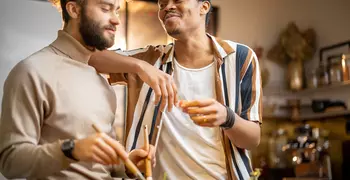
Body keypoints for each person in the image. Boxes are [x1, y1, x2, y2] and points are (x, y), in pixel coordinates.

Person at [0, 0, 178, 179]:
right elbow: (9, 161)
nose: (116, 20)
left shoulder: (100, 79)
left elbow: (98, 163)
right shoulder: (32, 71)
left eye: (116, 11)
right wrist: (71, 150)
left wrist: (127, 164)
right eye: (105, 9)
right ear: (74, 10)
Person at [89, 0, 262, 179]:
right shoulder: (150, 60)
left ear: (204, 6)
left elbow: (252, 139)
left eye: (177, 0)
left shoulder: (241, 58)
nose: (168, 7)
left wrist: (228, 118)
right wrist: (141, 67)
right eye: (162, 4)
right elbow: (90, 57)